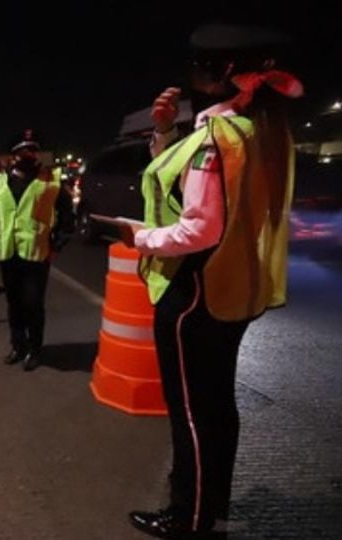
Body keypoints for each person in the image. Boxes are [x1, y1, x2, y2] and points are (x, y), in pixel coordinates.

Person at [119, 23, 303, 539]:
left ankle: (190, 519)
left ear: (221, 73)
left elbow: (199, 226)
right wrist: (163, 133)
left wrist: (143, 238)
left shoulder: (218, 138)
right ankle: (210, 508)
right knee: (219, 407)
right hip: (236, 289)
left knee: (192, 415)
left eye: (200, 66)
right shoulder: (264, 130)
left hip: (195, 291)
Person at [0, 131, 74, 370]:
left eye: (32, 149)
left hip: (37, 253)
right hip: (7, 253)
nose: (27, 154)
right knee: (14, 304)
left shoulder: (50, 180)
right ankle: (17, 346)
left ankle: (34, 349)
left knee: (33, 303)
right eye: (22, 150)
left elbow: (67, 217)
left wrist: (57, 245)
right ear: (13, 155)